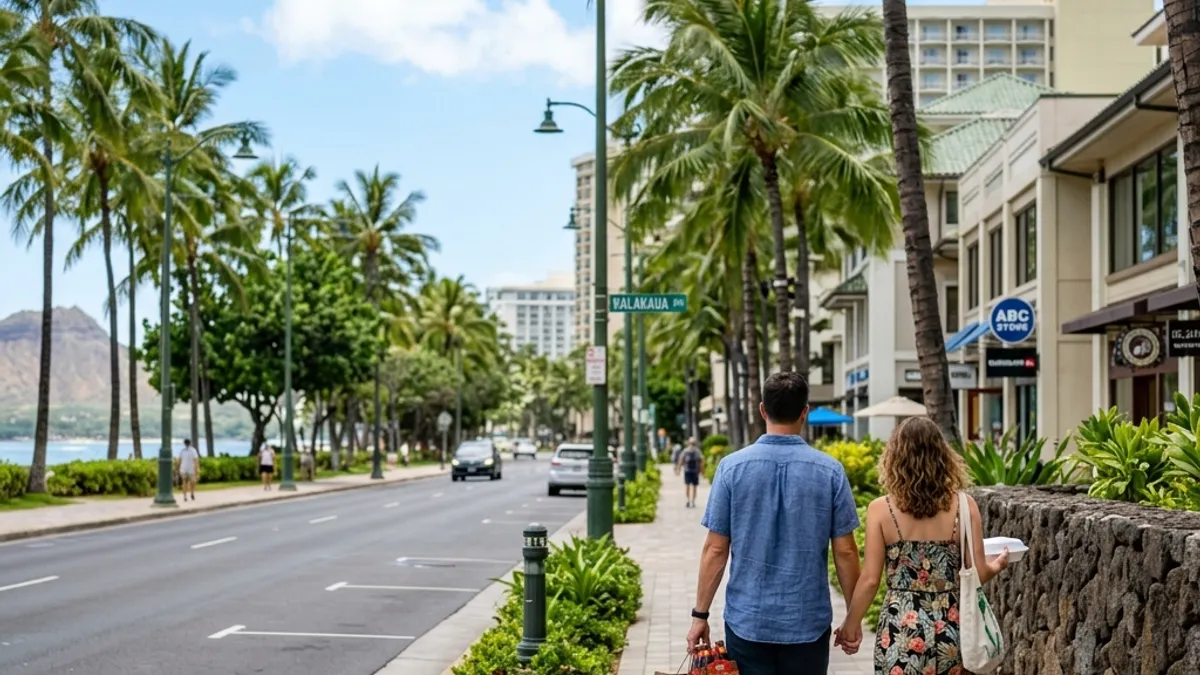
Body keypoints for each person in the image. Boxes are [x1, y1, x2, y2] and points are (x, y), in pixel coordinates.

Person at [687, 372, 862, 675]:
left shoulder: (731, 468)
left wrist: (700, 615)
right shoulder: (831, 471)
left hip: (747, 620)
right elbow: (845, 552)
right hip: (808, 621)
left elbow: (715, 549)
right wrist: (854, 617)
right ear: (805, 412)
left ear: (762, 410)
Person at [835, 417, 1010, 673]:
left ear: (895, 458)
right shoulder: (964, 505)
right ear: (943, 456)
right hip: (952, 630)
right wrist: (998, 565)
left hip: (899, 631)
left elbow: (870, 580)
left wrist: (851, 623)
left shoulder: (880, 510)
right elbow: (977, 573)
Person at [675, 437, 704, 508]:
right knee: (687, 486)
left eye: (693, 443)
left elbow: (701, 461)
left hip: (695, 471)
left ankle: (693, 501)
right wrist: (678, 469)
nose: (692, 445)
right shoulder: (685, 451)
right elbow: (680, 460)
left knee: (694, 487)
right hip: (687, 471)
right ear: (689, 443)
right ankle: (688, 500)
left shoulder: (697, 451)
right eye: (691, 443)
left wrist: (702, 471)